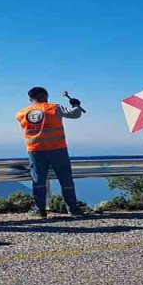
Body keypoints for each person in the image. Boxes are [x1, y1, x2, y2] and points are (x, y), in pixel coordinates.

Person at [16, 87, 85, 218]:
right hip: (57, 149)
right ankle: (73, 209)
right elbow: (75, 114)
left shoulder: (21, 113)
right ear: (46, 96)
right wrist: (76, 104)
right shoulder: (54, 108)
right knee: (66, 180)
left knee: (38, 181)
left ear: (30, 99)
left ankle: (40, 211)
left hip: (35, 150)